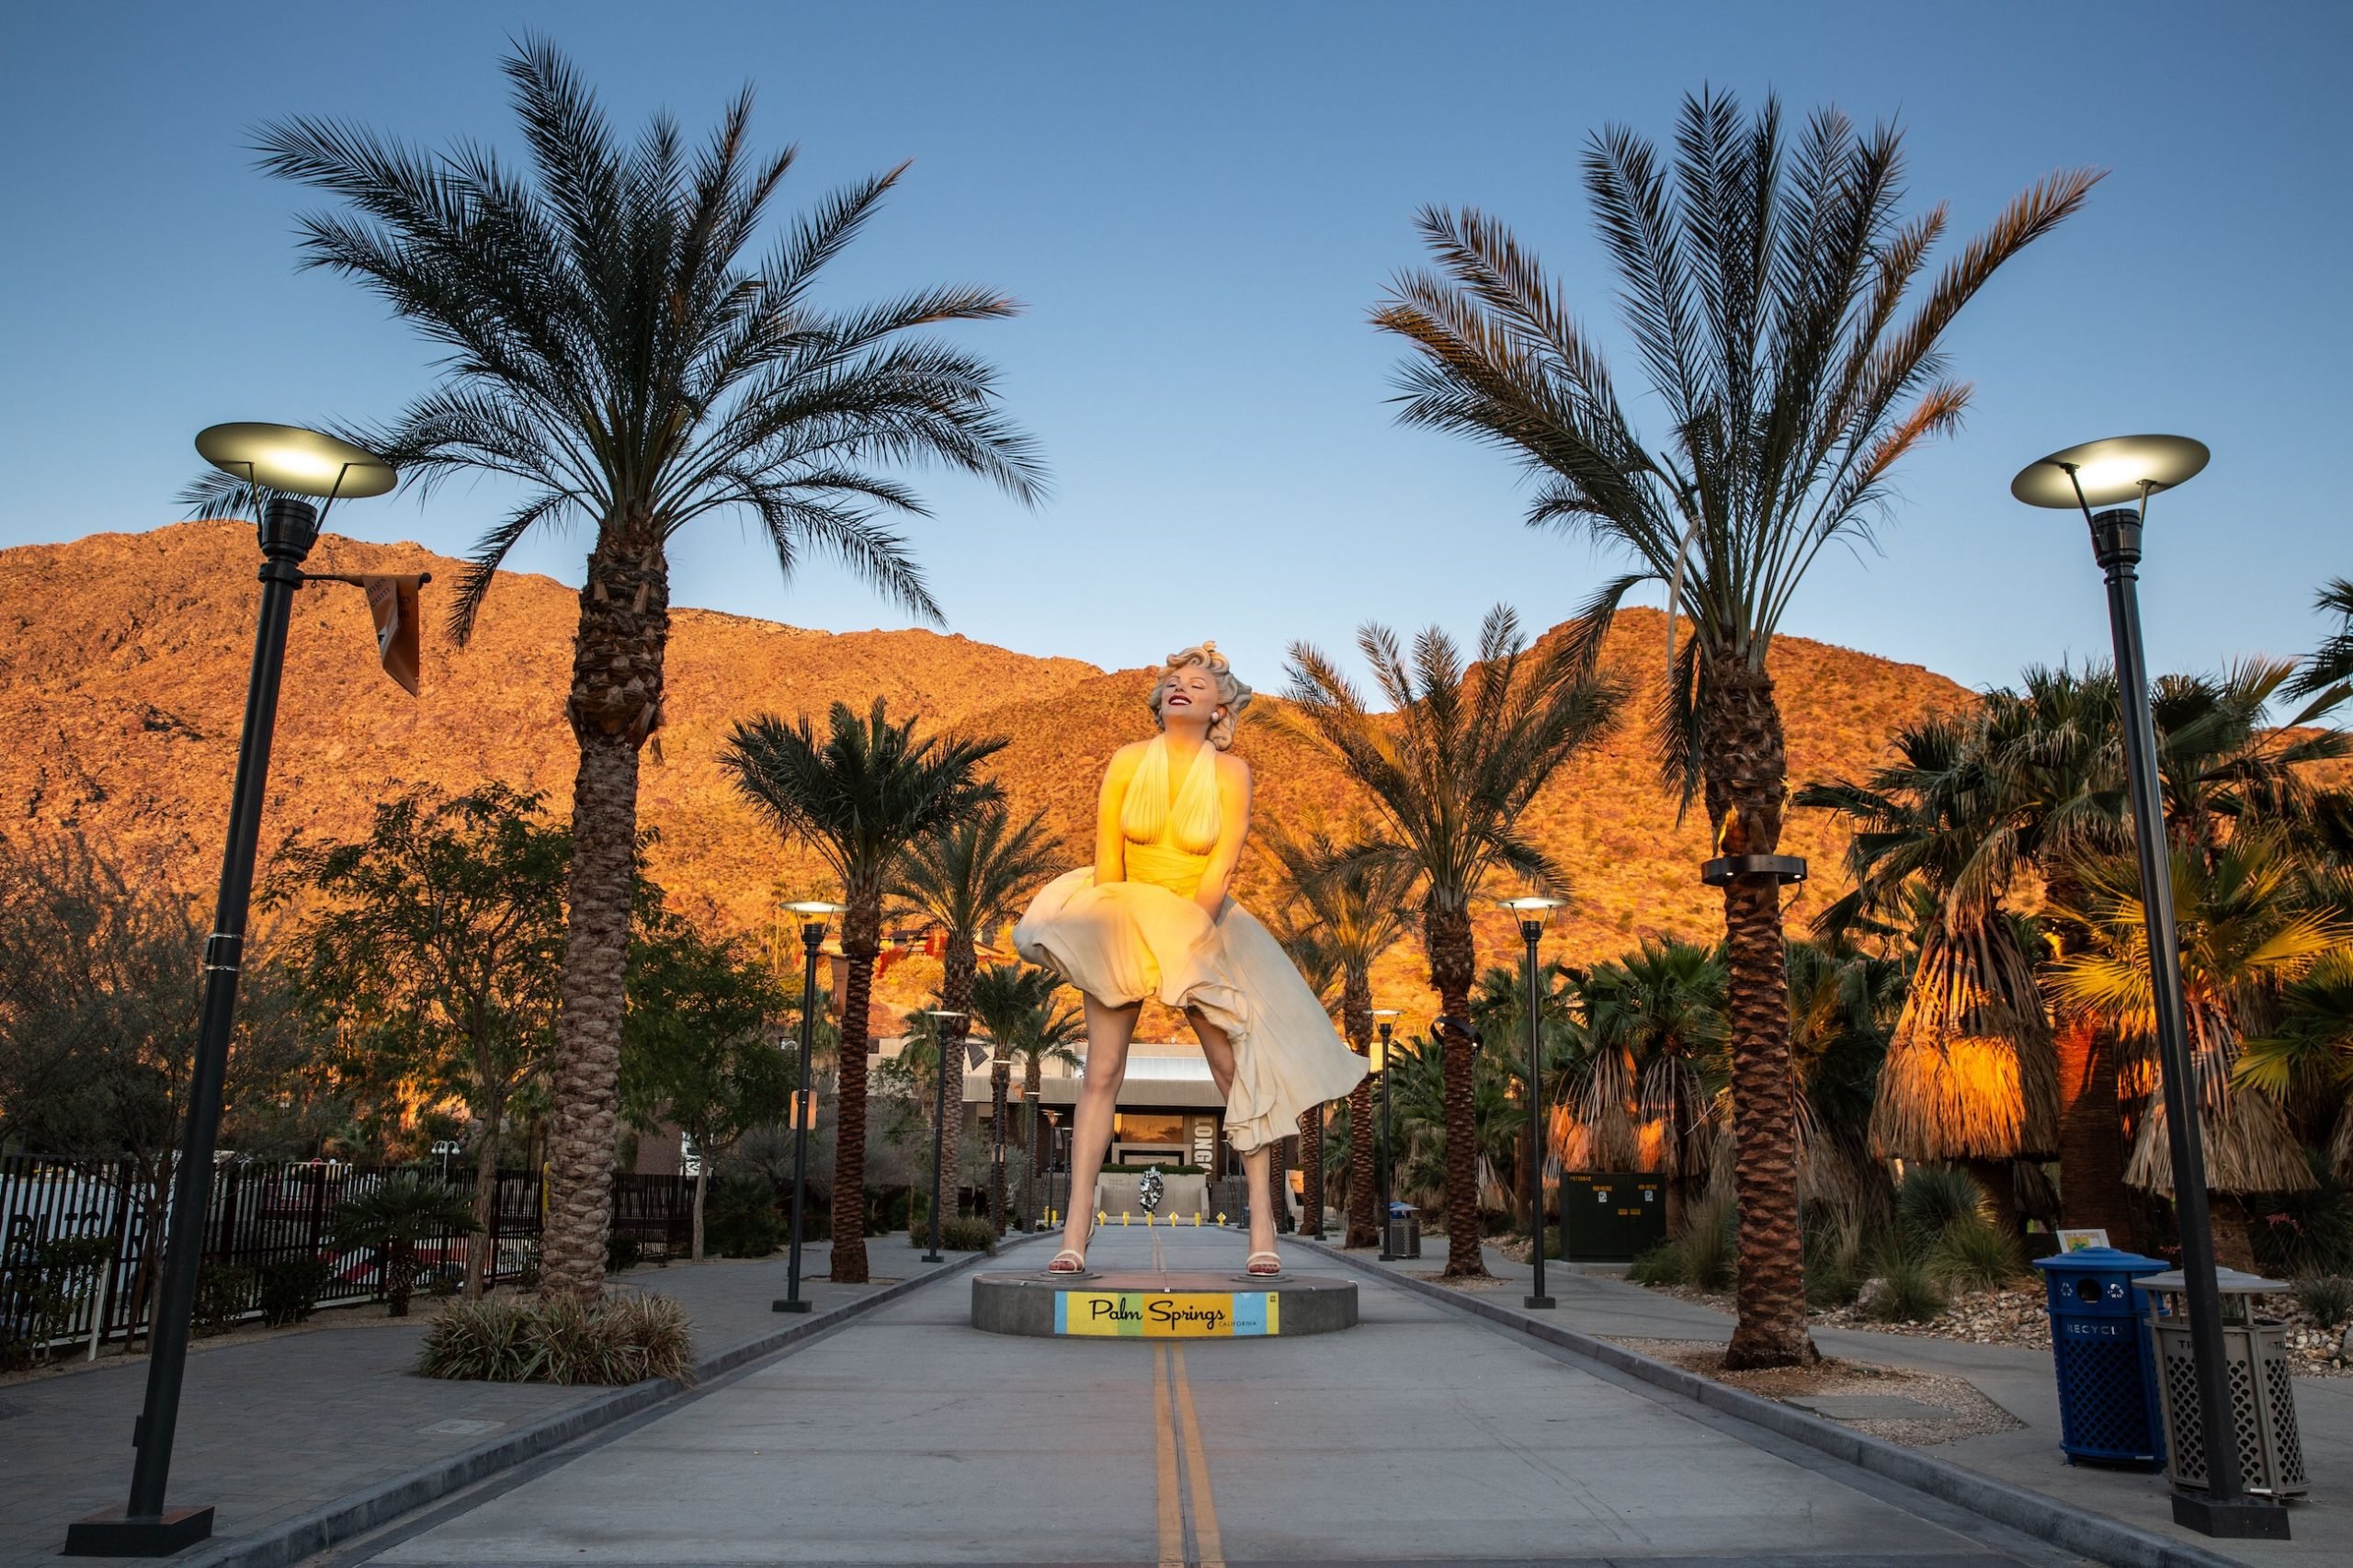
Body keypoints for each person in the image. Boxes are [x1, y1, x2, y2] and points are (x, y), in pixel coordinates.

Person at [1016, 642, 1368, 1277]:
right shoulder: (1126, 762)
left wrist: (1188, 940)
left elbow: (1223, 863)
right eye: (1174, 680)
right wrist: (1111, 930)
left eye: (1199, 684)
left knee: (1236, 1074)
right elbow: (1107, 859)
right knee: (1101, 1072)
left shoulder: (1233, 774)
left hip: (1202, 923)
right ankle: (1075, 1230)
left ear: (1220, 709)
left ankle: (1263, 1224)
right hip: (1124, 913)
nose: (1182, 687)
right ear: (1160, 700)